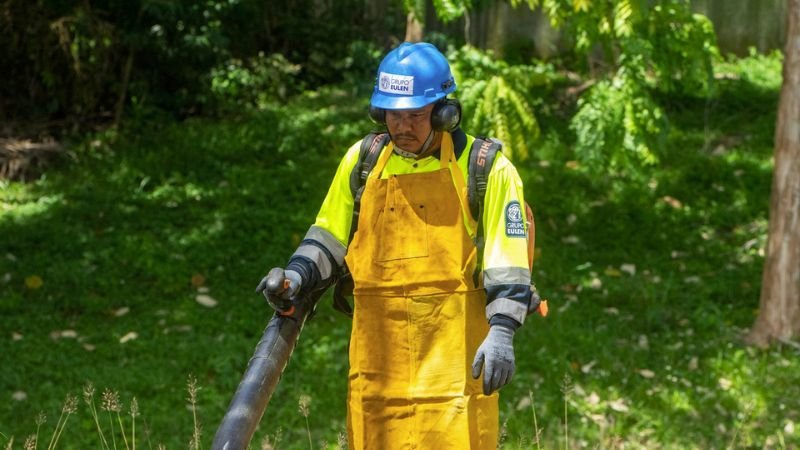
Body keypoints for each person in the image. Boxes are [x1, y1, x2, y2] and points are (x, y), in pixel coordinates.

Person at [256, 42, 533, 450]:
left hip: (455, 369)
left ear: (445, 113)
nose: (401, 127)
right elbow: (329, 236)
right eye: (392, 115)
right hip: (377, 364)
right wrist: (297, 276)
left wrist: (503, 331)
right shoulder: (363, 162)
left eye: (415, 116)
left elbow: (508, 260)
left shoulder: (486, 168)